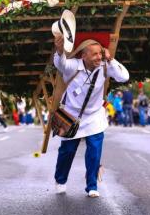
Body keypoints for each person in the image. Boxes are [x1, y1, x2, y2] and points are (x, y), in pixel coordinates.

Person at [53, 35, 129, 198]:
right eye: (94, 54)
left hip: (94, 117)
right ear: (83, 56)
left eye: (100, 53)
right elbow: (61, 63)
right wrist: (59, 51)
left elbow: (124, 77)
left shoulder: (105, 66)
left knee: (94, 151)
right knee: (67, 151)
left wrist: (111, 60)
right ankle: (60, 180)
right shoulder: (73, 66)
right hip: (70, 117)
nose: (99, 57)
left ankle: (92, 185)